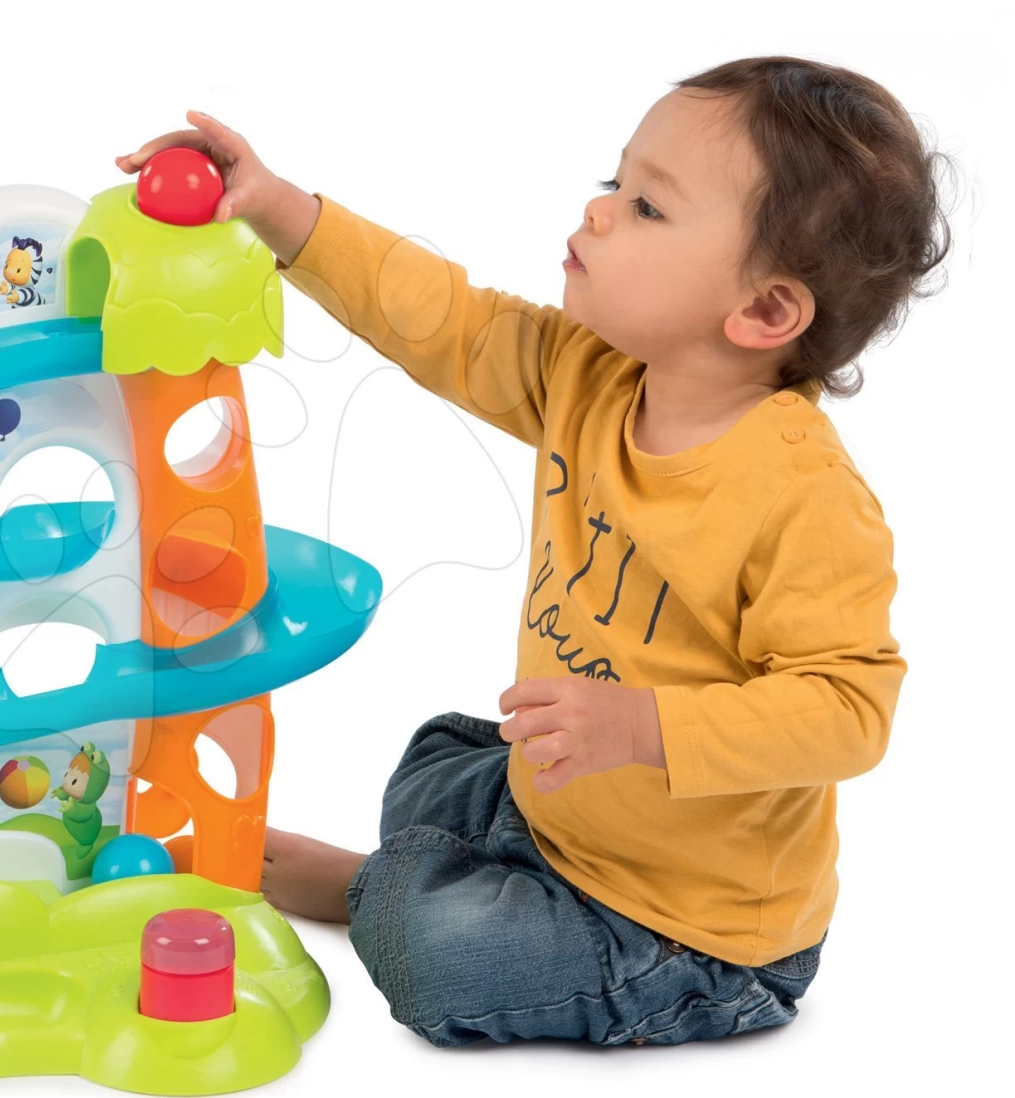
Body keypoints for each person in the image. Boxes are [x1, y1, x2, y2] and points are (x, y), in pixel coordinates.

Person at [117, 55, 951, 1047]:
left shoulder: (802, 496)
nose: (600, 211)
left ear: (765, 311)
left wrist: (642, 726)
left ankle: (375, 887)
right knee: (433, 757)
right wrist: (278, 208)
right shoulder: (592, 375)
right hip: (563, 814)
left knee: (434, 960)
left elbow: (849, 711)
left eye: (648, 208)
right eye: (615, 183)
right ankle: (454, 868)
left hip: (687, 930)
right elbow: (445, 319)